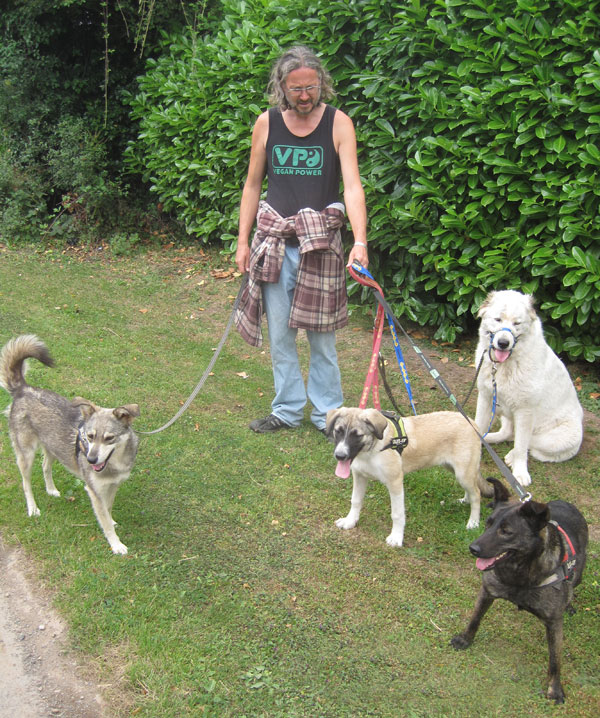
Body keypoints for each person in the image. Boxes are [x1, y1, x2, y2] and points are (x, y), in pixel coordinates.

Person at [234, 45, 368, 433]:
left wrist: (359, 241)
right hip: (274, 243)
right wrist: (243, 242)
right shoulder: (267, 123)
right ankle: (287, 410)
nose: (305, 95)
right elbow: (252, 185)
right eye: (296, 89)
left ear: (321, 83)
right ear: (282, 87)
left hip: (321, 246)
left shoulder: (339, 123)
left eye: (311, 87)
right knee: (281, 337)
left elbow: (353, 187)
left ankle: (329, 416)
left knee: (323, 339)